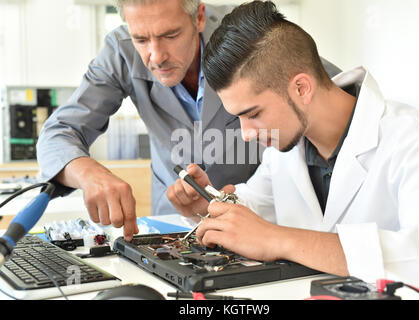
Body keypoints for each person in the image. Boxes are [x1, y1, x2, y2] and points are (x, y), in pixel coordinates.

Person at [167, 1, 419, 298]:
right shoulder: (285, 149)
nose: (246, 134)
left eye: (253, 114)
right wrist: (208, 205)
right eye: (238, 117)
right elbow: (255, 207)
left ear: (301, 88)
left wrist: (281, 240)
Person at [36, 0, 342, 242]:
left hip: (255, 212)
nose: (156, 56)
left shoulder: (244, 38)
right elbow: (59, 132)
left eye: (170, 35)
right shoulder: (120, 52)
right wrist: (88, 173)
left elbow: (329, 92)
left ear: (198, 17)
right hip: (175, 217)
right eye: (141, 39)